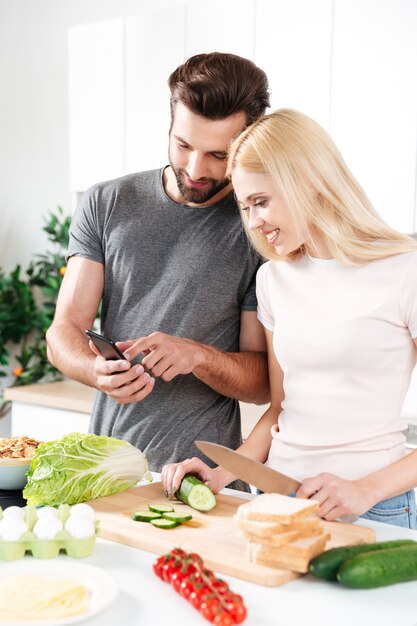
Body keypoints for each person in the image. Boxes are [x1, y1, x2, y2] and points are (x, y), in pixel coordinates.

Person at [162, 108, 417, 528]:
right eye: (246, 207)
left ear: (309, 181)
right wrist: (222, 473)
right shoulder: (273, 280)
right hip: (276, 497)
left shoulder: (403, 272)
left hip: (371, 508)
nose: (254, 222)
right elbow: (281, 410)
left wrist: (363, 490)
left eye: (261, 202)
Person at [46, 53, 271, 485]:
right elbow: (63, 332)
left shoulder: (257, 227)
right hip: (105, 468)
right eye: (183, 144)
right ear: (170, 123)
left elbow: (261, 381)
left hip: (204, 478)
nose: (195, 169)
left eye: (217, 155)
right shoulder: (105, 203)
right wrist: (96, 370)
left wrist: (197, 356)